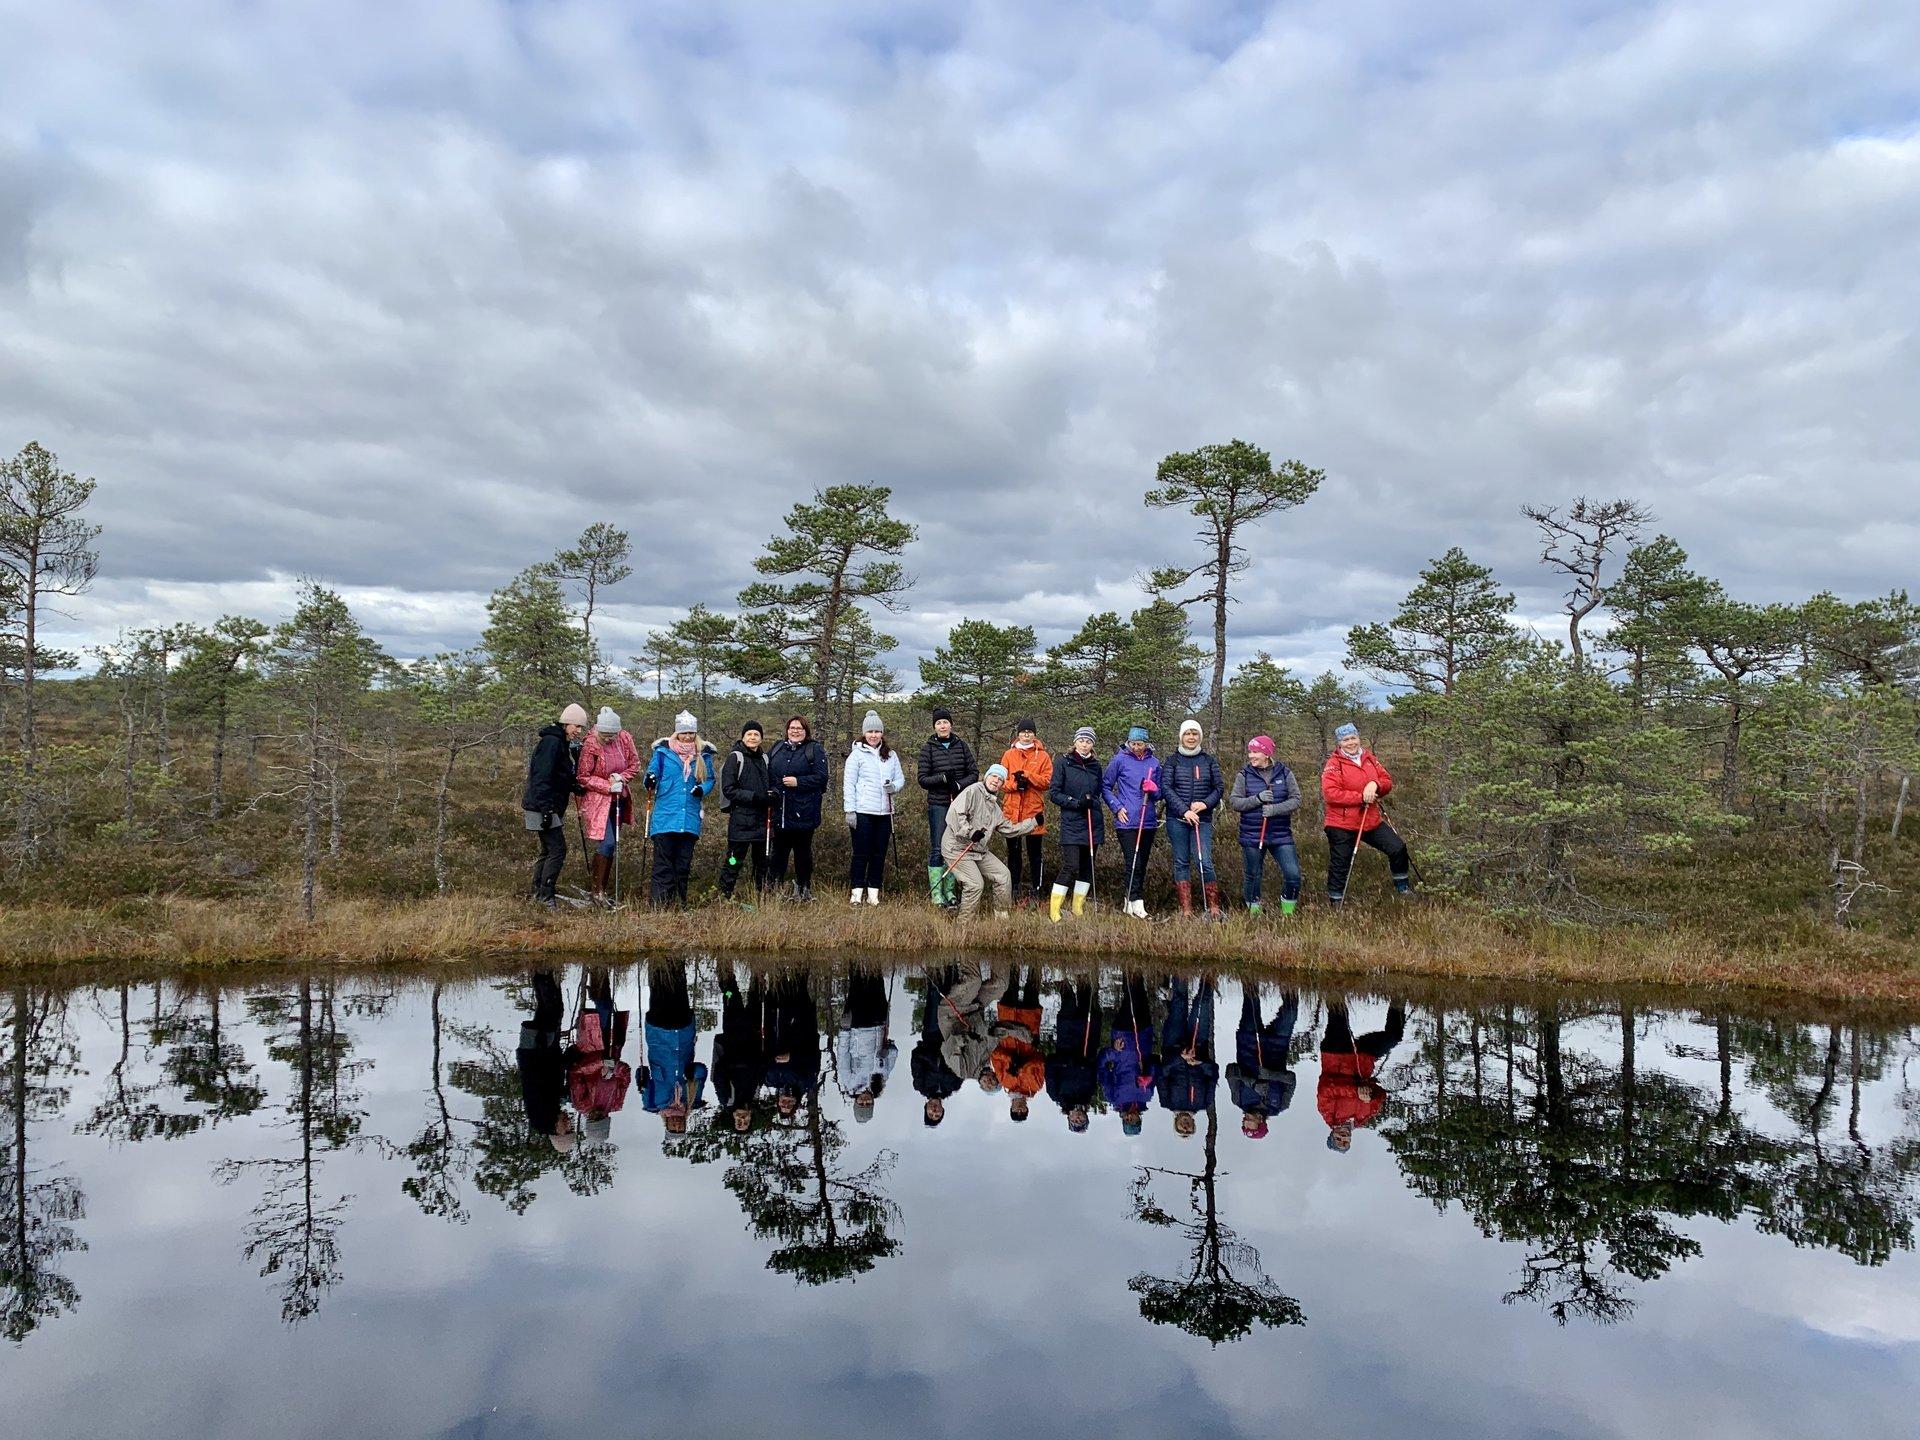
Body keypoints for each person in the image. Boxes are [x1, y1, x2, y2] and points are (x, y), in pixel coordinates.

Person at [1321, 722, 1414, 905]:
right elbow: (1330, 794)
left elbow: (1386, 781)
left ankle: (1402, 887)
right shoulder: (1334, 764)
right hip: (1341, 823)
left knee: (1397, 848)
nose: (1350, 743)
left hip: (1369, 820)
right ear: (1339, 743)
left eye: (1353, 738)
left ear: (1359, 738)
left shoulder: (1369, 758)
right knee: (1341, 862)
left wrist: (1376, 785)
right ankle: (1335, 900)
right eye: (1345, 740)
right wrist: (1361, 797)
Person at [940, 764, 1039, 919]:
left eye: (1000, 779)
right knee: (975, 884)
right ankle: (964, 925)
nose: (996, 781)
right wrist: (971, 832)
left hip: (978, 849)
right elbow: (955, 813)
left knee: (1003, 875)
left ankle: (1001, 917)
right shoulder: (972, 791)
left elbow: (1009, 829)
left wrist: (1033, 822)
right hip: (956, 847)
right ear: (987, 776)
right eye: (994, 776)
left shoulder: (994, 807)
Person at [644, 710, 719, 906]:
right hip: (664, 818)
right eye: (683, 733)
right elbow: (651, 775)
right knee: (663, 866)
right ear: (677, 733)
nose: (687, 737)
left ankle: (678, 904)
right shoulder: (662, 753)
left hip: (689, 819)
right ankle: (660, 906)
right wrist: (649, 780)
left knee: (682, 866)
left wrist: (701, 790)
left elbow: (710, 779)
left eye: (691, 733)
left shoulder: (704, 755)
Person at [1317, 997, 1406, 1153]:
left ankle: (1334, 982)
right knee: (1394, 1036)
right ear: (1350, 1140)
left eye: (1338, 1139)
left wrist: (1356, 1091)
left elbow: (1326, 1088)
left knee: (1338, 1013)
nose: (1343, 1137)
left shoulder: (1328, 1114)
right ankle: (1399, 995)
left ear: (1332, 1134)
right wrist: (1370, 1095)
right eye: (1345, 1141)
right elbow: (1381, 1096)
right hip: (1364, 1058)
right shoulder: (1362, 1119)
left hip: (1336, 1054)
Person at [1228, 734, 1304, 916]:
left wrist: (1275, 809)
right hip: (1252, 834)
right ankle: (1253, 913)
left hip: (1281, 835)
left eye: (1255, 752)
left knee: (1293, 875)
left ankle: (1287, 913)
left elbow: (1296, 800)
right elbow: (1235, 802)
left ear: (1267, 754)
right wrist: (1257, 799)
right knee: (1253, 875)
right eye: (1250, 752)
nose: (1251, 756)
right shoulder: (1244, 774)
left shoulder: (1284, 773)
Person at [522, 702, 589, 908]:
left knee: (547, 851)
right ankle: (546, 896)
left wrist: (572, 785)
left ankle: (538, 892)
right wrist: (547, 810)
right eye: (575, 726)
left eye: (580, 728)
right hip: (542, 806)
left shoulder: (560, 742)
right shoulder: (551, 742)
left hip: (545, 805)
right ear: (565, 723)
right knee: (557, 850)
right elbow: (541, 777)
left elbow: (557, 774)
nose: (578, 731)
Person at [1161, 718, 1225, 918]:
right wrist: (1184, 811)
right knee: (1181, 862)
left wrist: (1205, 804)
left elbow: (1219, 788)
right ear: (1181, 737)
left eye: (1194, 734)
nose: (1191, 737)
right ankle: (1186, 910)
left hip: (1202, 820)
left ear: (1200, 737)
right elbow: (1166, 788)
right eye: (1187, 734)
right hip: (1177, 820)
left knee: (1204, 861)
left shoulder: (1209, 760)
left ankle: (1214, 908)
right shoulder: (1172, 761)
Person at [575, 707, 639, 907]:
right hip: (598, 801)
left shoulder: (625, 738)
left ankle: (600, 888)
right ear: (598, 732)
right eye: (605, 735)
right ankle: (597, 891)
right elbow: (583, 777)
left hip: (619, 799)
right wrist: (607, 786)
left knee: (611, 845)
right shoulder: (591, 744)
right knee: (607, 843)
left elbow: (634, 765)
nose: (610, 739)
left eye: (613, 735)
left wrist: (622, 777)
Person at [916, 707, 978, 908]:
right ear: (935, 726)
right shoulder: (928, 748)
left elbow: (974, 773)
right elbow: (922, 779)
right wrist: (942, 778)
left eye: (945, 722)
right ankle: (937, 894)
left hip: (960, 805)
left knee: (955, 847)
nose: (943, 726)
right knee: (937, 848)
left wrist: (959, 785)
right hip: (938, 805)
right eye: (938, 723)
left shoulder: (961, 745)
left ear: (951, 724)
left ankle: (951, 892)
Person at [636, 961, 708, 1135]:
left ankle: (655, 959)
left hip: (658, 1038)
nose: (676, 1123)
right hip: (682, 1035)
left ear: (666, 1124)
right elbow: (701, 1072)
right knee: (678, 990)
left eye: (673, 1127)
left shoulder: (653, 1104)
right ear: (684, 1124)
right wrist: (693, 1073)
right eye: (680, 1127)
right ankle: (676, 960)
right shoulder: (692, 1100)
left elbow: (642, 1072)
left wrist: (642, 1083)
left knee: (658, 991)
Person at [843, 710, 906, 905]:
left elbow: (900, 779)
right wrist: (850, 811)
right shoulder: (856, 755)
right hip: (863, 812)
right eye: (870, 731)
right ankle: (856, 893)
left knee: (879, 854)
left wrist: (893, 787)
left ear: (882, 733)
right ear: (864, 733)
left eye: (877, 731)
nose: (873, 735)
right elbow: (849, 784)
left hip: (884, 813)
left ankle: (873, 894)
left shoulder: (891, 755)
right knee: (861, 853)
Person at [1103, 726, 1163, 920]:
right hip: (1127, 821)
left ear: (1147, 744)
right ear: (1128, 742)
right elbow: (1105, 786)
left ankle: (1134, 903)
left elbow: (1160, 793)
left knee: (1142, 864)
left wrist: (1153, 789)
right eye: (1133, 744)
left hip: (1148, 821)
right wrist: (1117, 807)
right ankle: (1132, 901)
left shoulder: (1154, 763)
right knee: (1133, 863)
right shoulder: (1119, 760)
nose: (1136, 748)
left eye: (1140, 744)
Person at [767, 715, 828, 900]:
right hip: (780, 812)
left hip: (805, 812)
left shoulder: (814, 749)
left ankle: (804, 889)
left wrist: (798, 782)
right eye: (792, 728)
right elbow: (767, 773)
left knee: (803, 853)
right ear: (787, 730)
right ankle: (775, 889)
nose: (795, 731)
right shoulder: (777, 748)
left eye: (800, 728)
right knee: (779, 853)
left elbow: (821, 777)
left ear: (806, 731)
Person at [1047, 726, 1105, 922]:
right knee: (1071, 865)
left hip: (1092, 822)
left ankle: (1077, 908)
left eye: (1088, 741)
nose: (1084, 744)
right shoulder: (1063, 763)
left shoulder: (1096, 766)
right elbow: (1054, 794)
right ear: (1075, 742)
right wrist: (1076, 803)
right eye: (1081, 740)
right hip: (1072, 822)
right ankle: (1054, 909)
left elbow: (1099, 793)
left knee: (1087, 867)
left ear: (1092, 745)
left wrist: (1092, 802)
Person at [568, 969, 632, 1144]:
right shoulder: (616, 1104)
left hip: (590, 1046)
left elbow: (575, 1073)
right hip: (612, 1048)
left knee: (603, 1008)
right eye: (600, 1121)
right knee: (608, 1008)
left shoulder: (581, 1105)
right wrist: (614, 1066)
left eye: (594, 1121)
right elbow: (625, 1077)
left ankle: (597, 974)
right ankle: (600, 973)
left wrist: (600, 1063)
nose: (597, 1117)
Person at [1227, 986, 1299, 1139]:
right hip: (1277, 1045)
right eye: (1249, 1123)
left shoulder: (1238, 1100)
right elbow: (1291, 1080)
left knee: (1251, 998)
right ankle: (1288, 976)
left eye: (1243, 1123)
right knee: (1291, 1011)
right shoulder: (1280, 1105)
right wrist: (1271, 1075)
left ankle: (1249, 970)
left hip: (1249, 1042)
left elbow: (1231, 1071)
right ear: (1261, 1123)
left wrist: (1251, 1082)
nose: (1245, 1119)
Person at [998, 718, 1053, 908]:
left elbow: (1047, 781)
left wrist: (1028, 777)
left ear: (1034, 734)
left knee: (1035, 854)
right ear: (1018, 734)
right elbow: (1000, 781)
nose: (1026, 735)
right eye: (1023, 732)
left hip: (1033, 811)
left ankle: (1037, 890)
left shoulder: (1043, 756)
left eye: (1030, 732)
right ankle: (1013, 889)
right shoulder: (1008, 754)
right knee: (1013, 854)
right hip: (1012, 812)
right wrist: (1015, 785)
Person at [516, 969, 573, 1151]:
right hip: (538, 1052)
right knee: (548, 1010)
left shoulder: (542, 1114)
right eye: (572, 1128)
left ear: (557, 1133)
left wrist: (564, 1061)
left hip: (537, 1051)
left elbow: (541, 1078)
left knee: (553, 1009)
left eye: (568, 1130)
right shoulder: (549, 1112)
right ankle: (542, 973)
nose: (570, 1124)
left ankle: (544, 972)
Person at [836, 961, 898, 1124]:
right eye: (868, 1104)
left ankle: (854, 955)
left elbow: (842, 1054)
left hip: (857, 1026)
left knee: (857, 984)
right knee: (876, 982)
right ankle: (875, 957)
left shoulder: (849, 1082)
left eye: (861, 1104)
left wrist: (844, 1030)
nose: (865, 1101)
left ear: (855, 1103)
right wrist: (888, 1052)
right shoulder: (881, 1082)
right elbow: (894, 1053)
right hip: (878, 1024)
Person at [719, 720, 775, 901]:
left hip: (763, 822)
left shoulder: (766, 759)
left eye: (756, 735)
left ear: (761, 738)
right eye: (749, 734)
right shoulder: (735, 758)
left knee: (763, 862)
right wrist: (754, 797)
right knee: (734, 861)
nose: (752, 737)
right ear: (743, 737)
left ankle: (760, 897)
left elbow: (772, 784)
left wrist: (773, 795)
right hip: (740, 823)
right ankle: (724, 896)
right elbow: (729, 789)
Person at [1156, 975, 1219, 1136]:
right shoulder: (1205, 1102)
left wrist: (1180, 1059)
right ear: (1193, 1125)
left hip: (1173, 1044)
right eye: (1189, 1129)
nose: (1185, 1126)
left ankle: (1181, 970)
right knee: (1203, 1003)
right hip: (1198, 1043)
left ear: (1176, 1124)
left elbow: (1161, 1074)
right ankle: (1209, 971)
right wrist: (1200, 1063)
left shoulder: (1167, 1102)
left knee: (1178, 1002)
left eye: (1181, 1128)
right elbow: (1213, 1074)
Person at [1099, 970, 1158, 1134]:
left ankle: (1128, 967)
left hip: (1123, 1038)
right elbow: (1155, 1067)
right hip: (1144, 1036)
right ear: (1140, 1119)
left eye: (1128, 1121)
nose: (1130, 1118)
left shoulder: (1114, 1099)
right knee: (1141, 997)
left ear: (1123, 1120)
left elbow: (1102, 1068)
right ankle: (1139, 968)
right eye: (1134, 1121)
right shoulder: (1147, 1097)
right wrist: (1148, 1070)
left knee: (1130, 999)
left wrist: (1113, 1051)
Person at [937, 963, 1010, 1090]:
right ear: (995, 1075)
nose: (989, 1082)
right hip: (975, 1009)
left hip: (952, 1014)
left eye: (987, 1086)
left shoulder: (963, 1072)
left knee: (973, 981)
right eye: (993, 1082)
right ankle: (1000, 950)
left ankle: (964, 947)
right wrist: (1013, 1032)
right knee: (1000, 986)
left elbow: (947, 1050)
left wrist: (961, 1040)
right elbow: (995, 1033)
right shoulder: (989, 1056)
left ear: (980, 1085)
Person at [713, 962, 767, 1133]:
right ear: (750, 1117)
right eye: (745, 1122)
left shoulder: (726, 1098)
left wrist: (738, 1061)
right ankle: (759, 965)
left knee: (730, 994)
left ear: (734, 1118)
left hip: (733, 1032)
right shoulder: (755, 1095)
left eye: (738, 1123)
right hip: (754, 1033)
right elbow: (762, 1068)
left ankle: (723, 962)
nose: (742, 1120)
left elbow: (719, 1073)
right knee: (756, 996)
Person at [1045, 971, 1102, 1132]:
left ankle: (1059, 971)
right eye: (1081, 1120)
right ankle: (1083, 967)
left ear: (1069, 1118)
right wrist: (1087, 1064)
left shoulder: (1057, 1095)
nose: (1078, 1118)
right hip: (1087, 1037)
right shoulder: (1089, 1094)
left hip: (1067, 1038)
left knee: (1068, 999)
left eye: (1075, 1121)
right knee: (1086, 996)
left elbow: (1049, 1066)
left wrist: (1066, 1062)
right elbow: (1094, 1069)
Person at [762, 971, 821, 1122]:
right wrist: (792, 1057)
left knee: (777, 981)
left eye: (783, 1104)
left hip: (774, 1023)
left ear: (778, 1101)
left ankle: (776, 958)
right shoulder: (807, 1082)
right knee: (799, 981)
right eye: (790, 1105)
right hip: (801, 1026)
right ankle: (801, 958)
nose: (786, 1102)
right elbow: (813, 1058)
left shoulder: (770, 1080)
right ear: (796, 1103)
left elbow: (762, 1058)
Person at [912, 964, 966, 1127]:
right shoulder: (954, 1086)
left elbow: (916, 1056)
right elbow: (961, 1064)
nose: (934, 1110)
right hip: (951, 1035)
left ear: (926, 1107)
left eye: (931, 1113)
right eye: (937, 1113)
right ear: (942, 1110)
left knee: (935, 995)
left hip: (932, 1034)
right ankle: (952, 965)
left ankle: (934, 964)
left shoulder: (920, 1085)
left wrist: (933, 1060)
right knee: (953, 997)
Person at [990, 966, 1046, 1122]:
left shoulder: (1004, 1081)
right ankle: (1036, 959)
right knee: (1032, 988)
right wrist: (1024, 1064)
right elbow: (1041, 1061)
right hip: (1029, 1026)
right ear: (1027, 1108)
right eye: (1023, 1112)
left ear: (1011, 1108)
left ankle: (1013, 956)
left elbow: (994, 1055)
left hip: (1007, 1026)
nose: (1020, 1109)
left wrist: (1010, 1059)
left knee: (1010, 986)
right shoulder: (1036, 1086)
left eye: (1016, 1112)